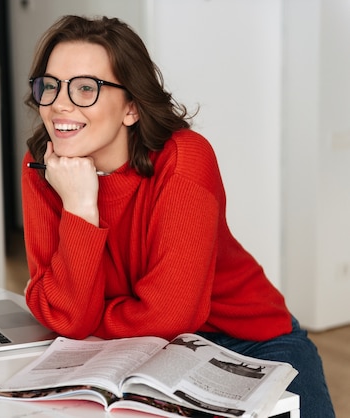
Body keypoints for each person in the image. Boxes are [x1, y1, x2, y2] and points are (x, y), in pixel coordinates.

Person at [20, 15, 334, 417]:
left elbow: (170, 315)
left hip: (244, 342)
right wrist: (80, 206)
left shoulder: (185, 160)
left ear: (131, 107)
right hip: (130, 350)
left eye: (86, 88)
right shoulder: (43, 166)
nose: (60, 104)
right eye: (51, 86)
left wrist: (86, 314)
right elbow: (65, 317)